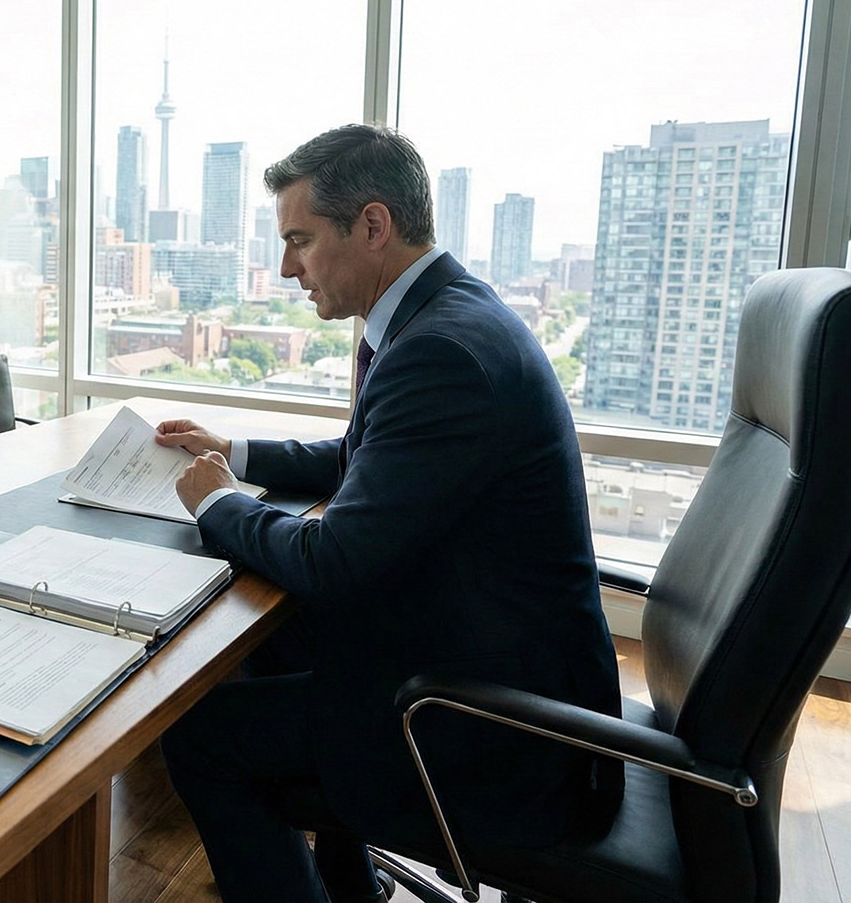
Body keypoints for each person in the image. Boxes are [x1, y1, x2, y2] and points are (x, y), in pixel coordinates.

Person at [156, 124, 621, 903]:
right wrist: (235, 453)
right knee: (264, 645)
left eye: (300, 239)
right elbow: (363, 456)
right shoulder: (441, 318)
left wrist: (218, 504)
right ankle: (349, 886)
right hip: (483, 649)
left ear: (373, 225)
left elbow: (334, 562)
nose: (286, 267)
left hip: (500, 733)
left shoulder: (444, 353)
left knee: (202, 735)